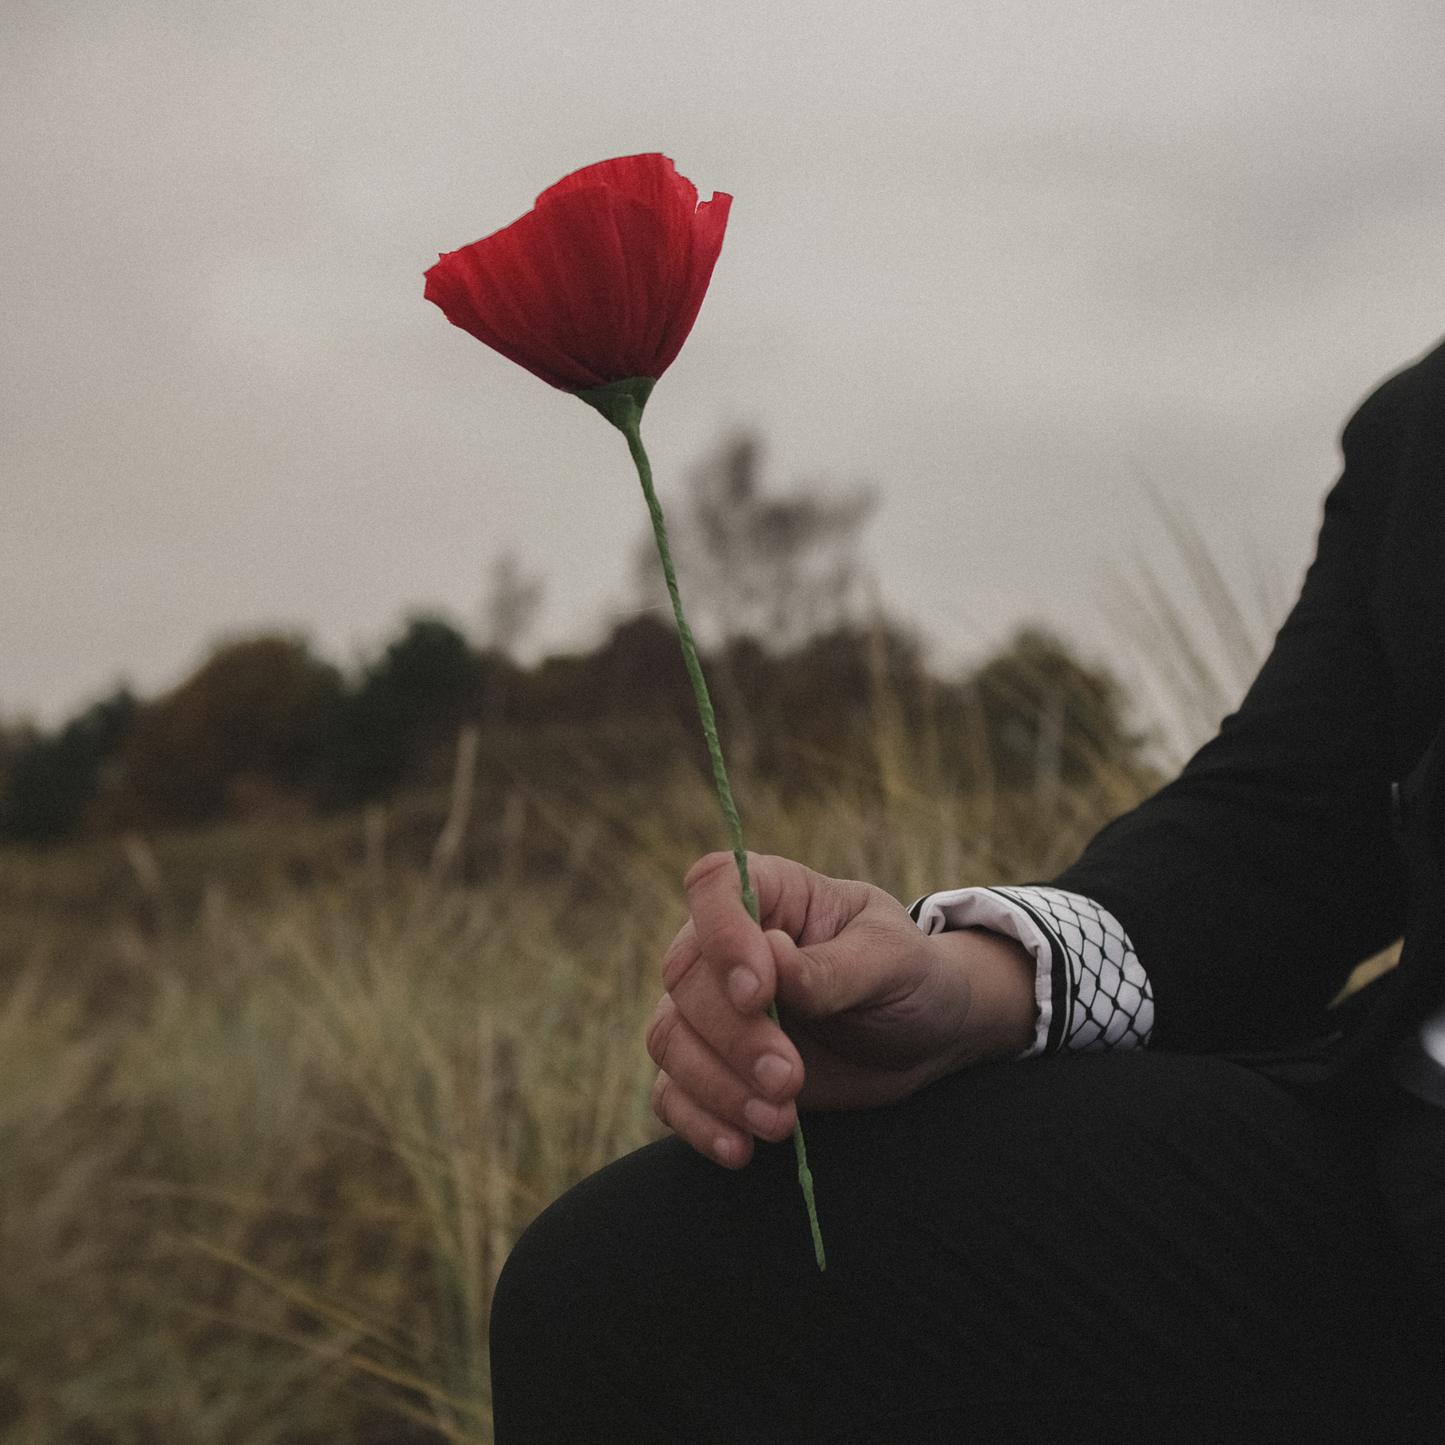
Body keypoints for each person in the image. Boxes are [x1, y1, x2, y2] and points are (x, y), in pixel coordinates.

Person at [489, 337, 1445, 1443]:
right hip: (1394, 1169)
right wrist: (968, 984)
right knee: (617, 1291)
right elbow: (1284, 828)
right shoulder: (1420, 425)